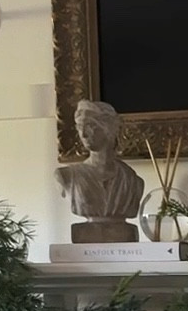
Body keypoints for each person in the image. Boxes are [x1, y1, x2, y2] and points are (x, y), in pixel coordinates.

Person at [56, 99, 143, 241]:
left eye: (90, 126)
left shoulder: (132, 181)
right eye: (79, 126)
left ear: (108, 128)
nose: (83, 134)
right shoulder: (66, 176)